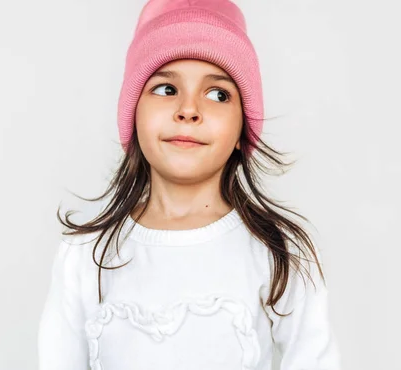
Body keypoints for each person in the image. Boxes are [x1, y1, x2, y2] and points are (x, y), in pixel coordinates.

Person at [38, 0, 341, 369]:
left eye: (218, 94)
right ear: (133, 114)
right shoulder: (85, 254)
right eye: (166, 89)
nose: (188, 110)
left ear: (241, 129)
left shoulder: (279, 252)